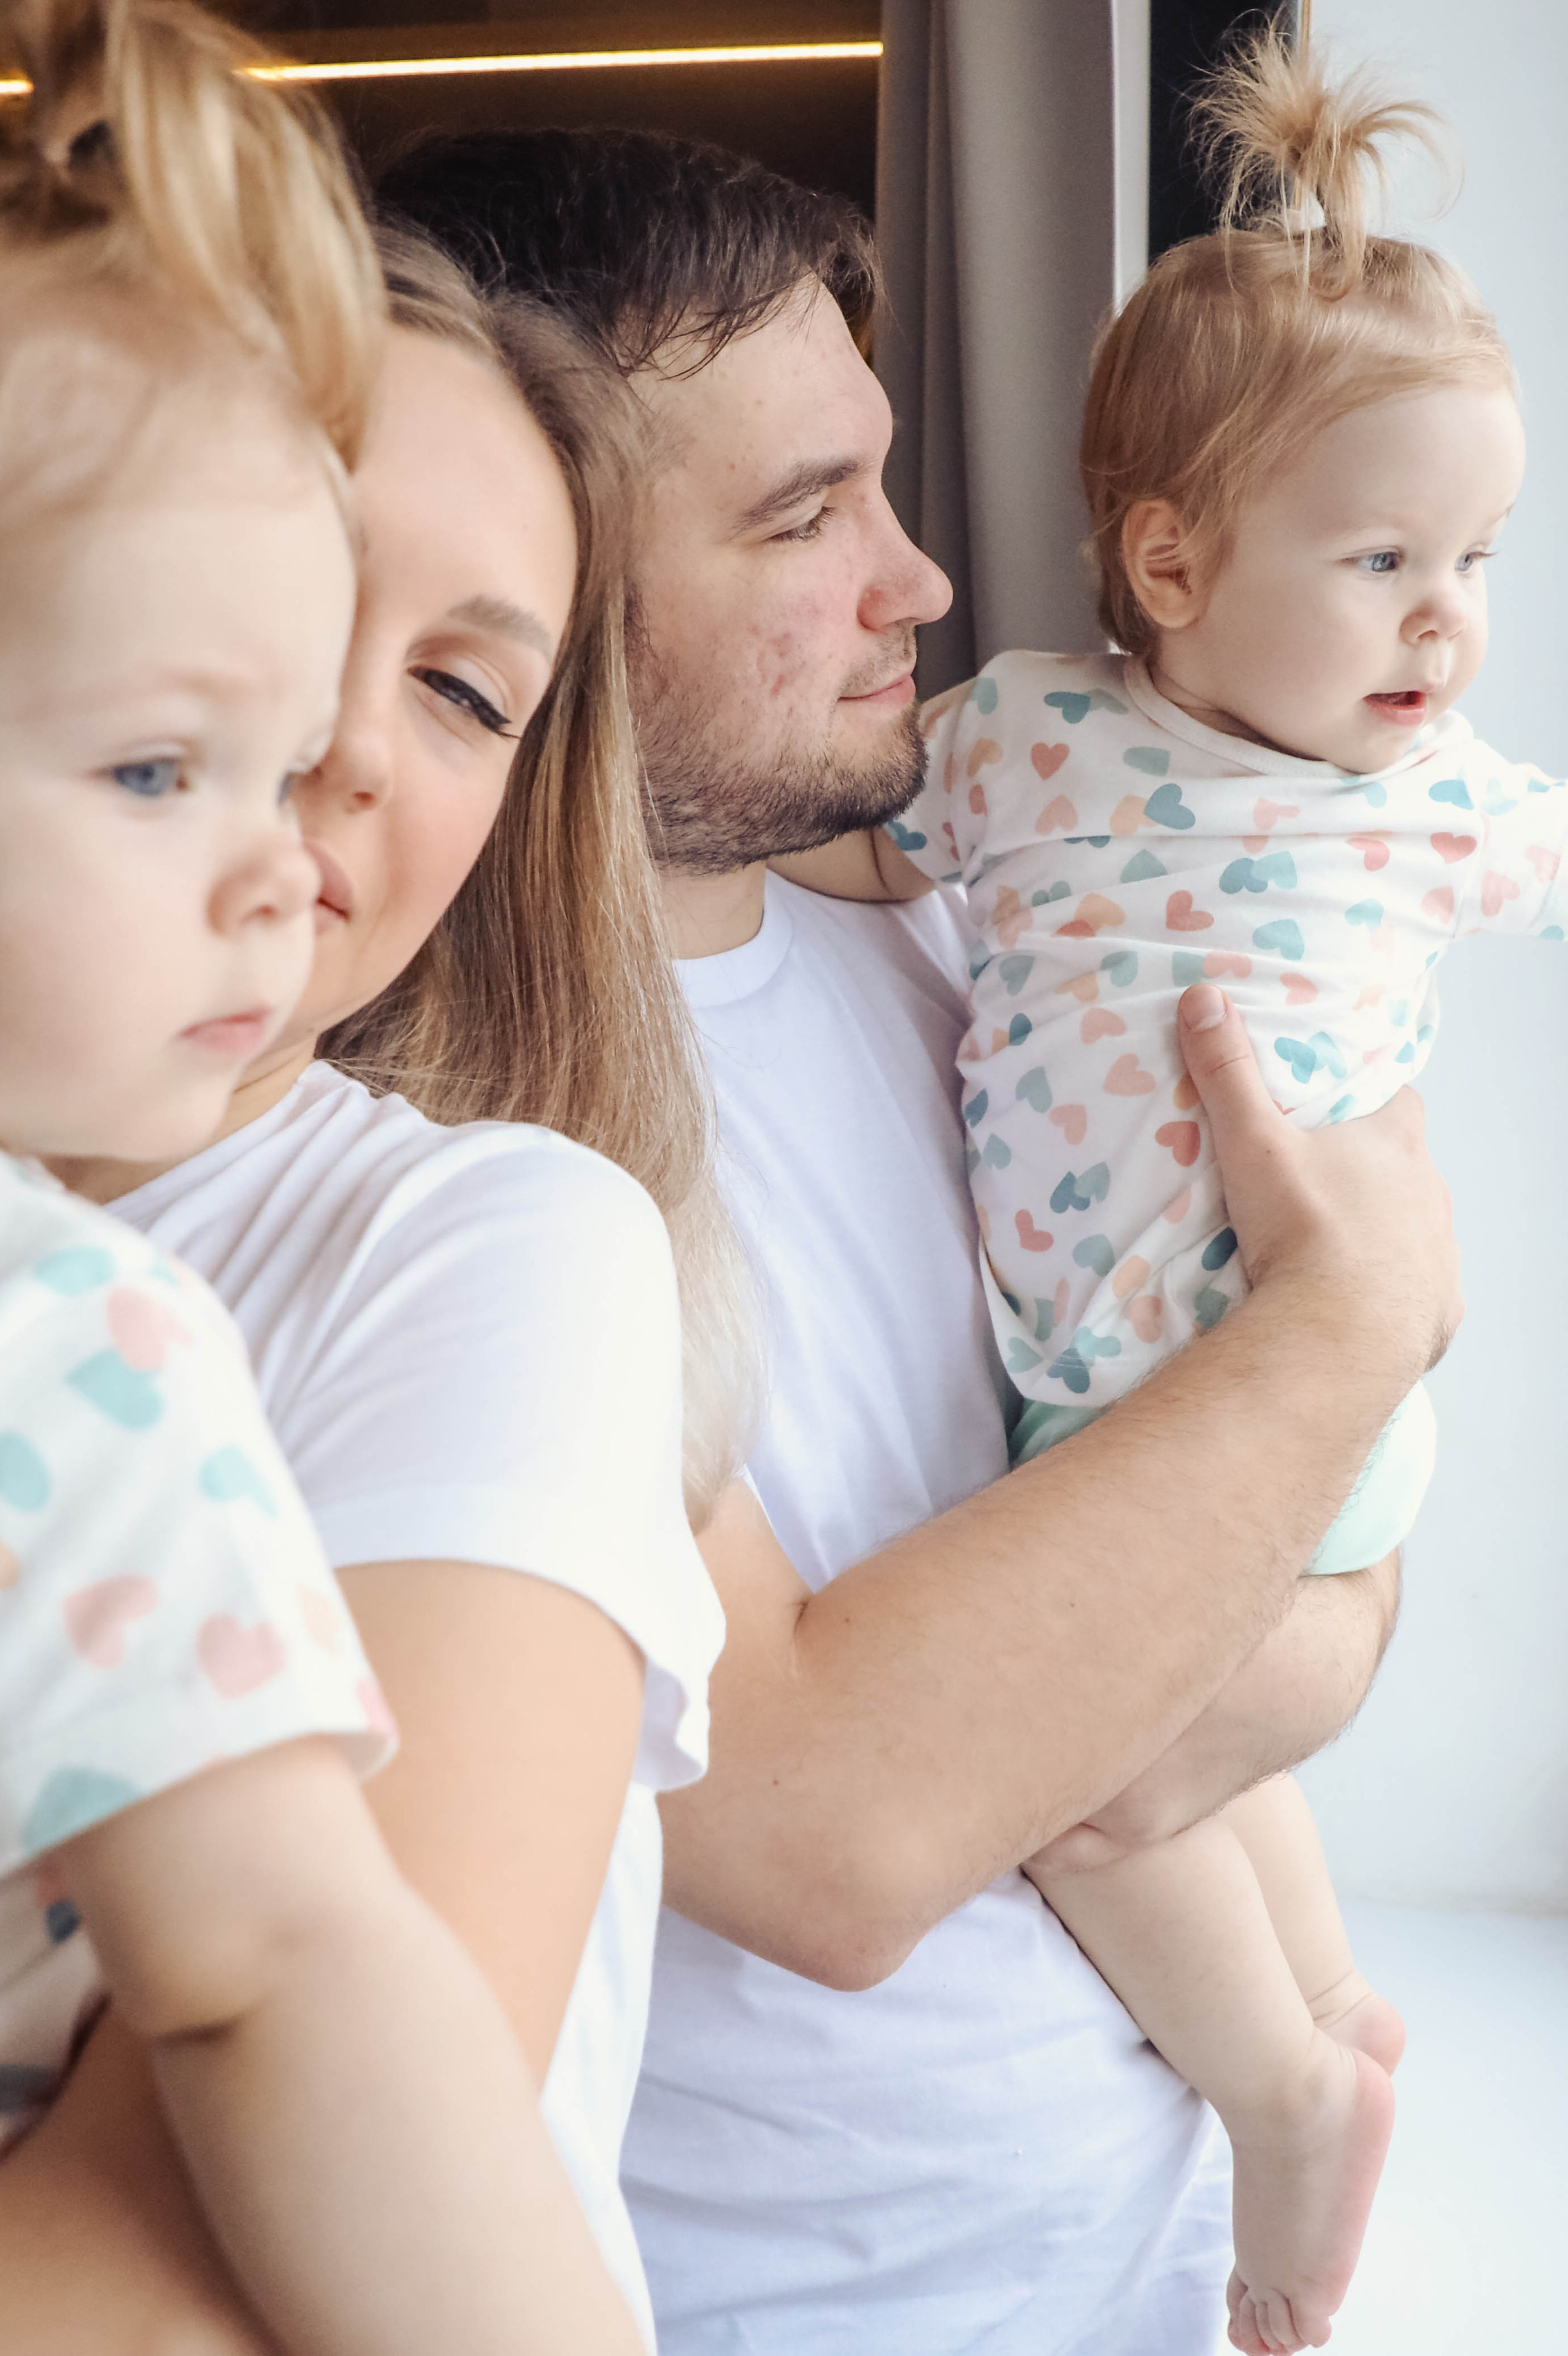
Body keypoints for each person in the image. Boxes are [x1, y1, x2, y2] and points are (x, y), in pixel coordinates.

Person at [380, 126, 1461, 2354]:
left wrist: (1247, 1567)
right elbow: (834, 1835)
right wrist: (1355, 1318)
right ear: (543, 576)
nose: (926, 581)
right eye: (803, 519)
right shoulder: (443, 1123)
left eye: (878, 484)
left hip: (1159, 2264)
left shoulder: (989, 925)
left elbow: (1332, 1618)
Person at [775, 36, 1553, 2354]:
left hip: (1268, 1391)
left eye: (1480, 560)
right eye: (1388, 558)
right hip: (1094, 1411)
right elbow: (861, 847)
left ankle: (1283, 2101)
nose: (1449, 623)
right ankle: (1324, 2008)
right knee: (1163, 1787)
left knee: (1093, 1807)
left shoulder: (1437, 803)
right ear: (1170, 557)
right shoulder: (1023, 731)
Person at [0, 145, 740, 2356]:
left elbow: (286, 2057)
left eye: (460, 691)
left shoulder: (190, 1332)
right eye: (281, 605)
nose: (320, 757)